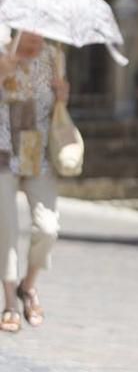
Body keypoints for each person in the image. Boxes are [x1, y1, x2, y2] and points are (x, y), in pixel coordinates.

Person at [0, 31, 69, 333]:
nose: (39, 36)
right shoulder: (2, 53)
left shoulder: (54, 57)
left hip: (39, 153)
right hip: (4, 151)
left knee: (48, 228)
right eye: (32, 30)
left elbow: (56, 109)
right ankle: (9, 304)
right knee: (7, 229)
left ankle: (28, 286)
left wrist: (64, 98)